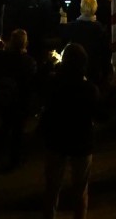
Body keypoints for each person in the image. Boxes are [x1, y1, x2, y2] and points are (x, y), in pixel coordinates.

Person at [40, 43, 100, 219]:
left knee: (51, 188)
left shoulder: (53, 82)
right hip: (81, 142)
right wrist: (113, 92)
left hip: (55, 139)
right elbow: (102, 115)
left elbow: (39, 90)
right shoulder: (89, 89)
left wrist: (49, 66)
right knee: (80, 190)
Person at [0, 28, 37, 171]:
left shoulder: (4, 58)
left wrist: (0, 51)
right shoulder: (29, 62)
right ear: (26, 43)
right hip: (22, 100)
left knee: (5, 126)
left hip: (7, 98)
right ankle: (14, 160)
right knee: (18, 131)